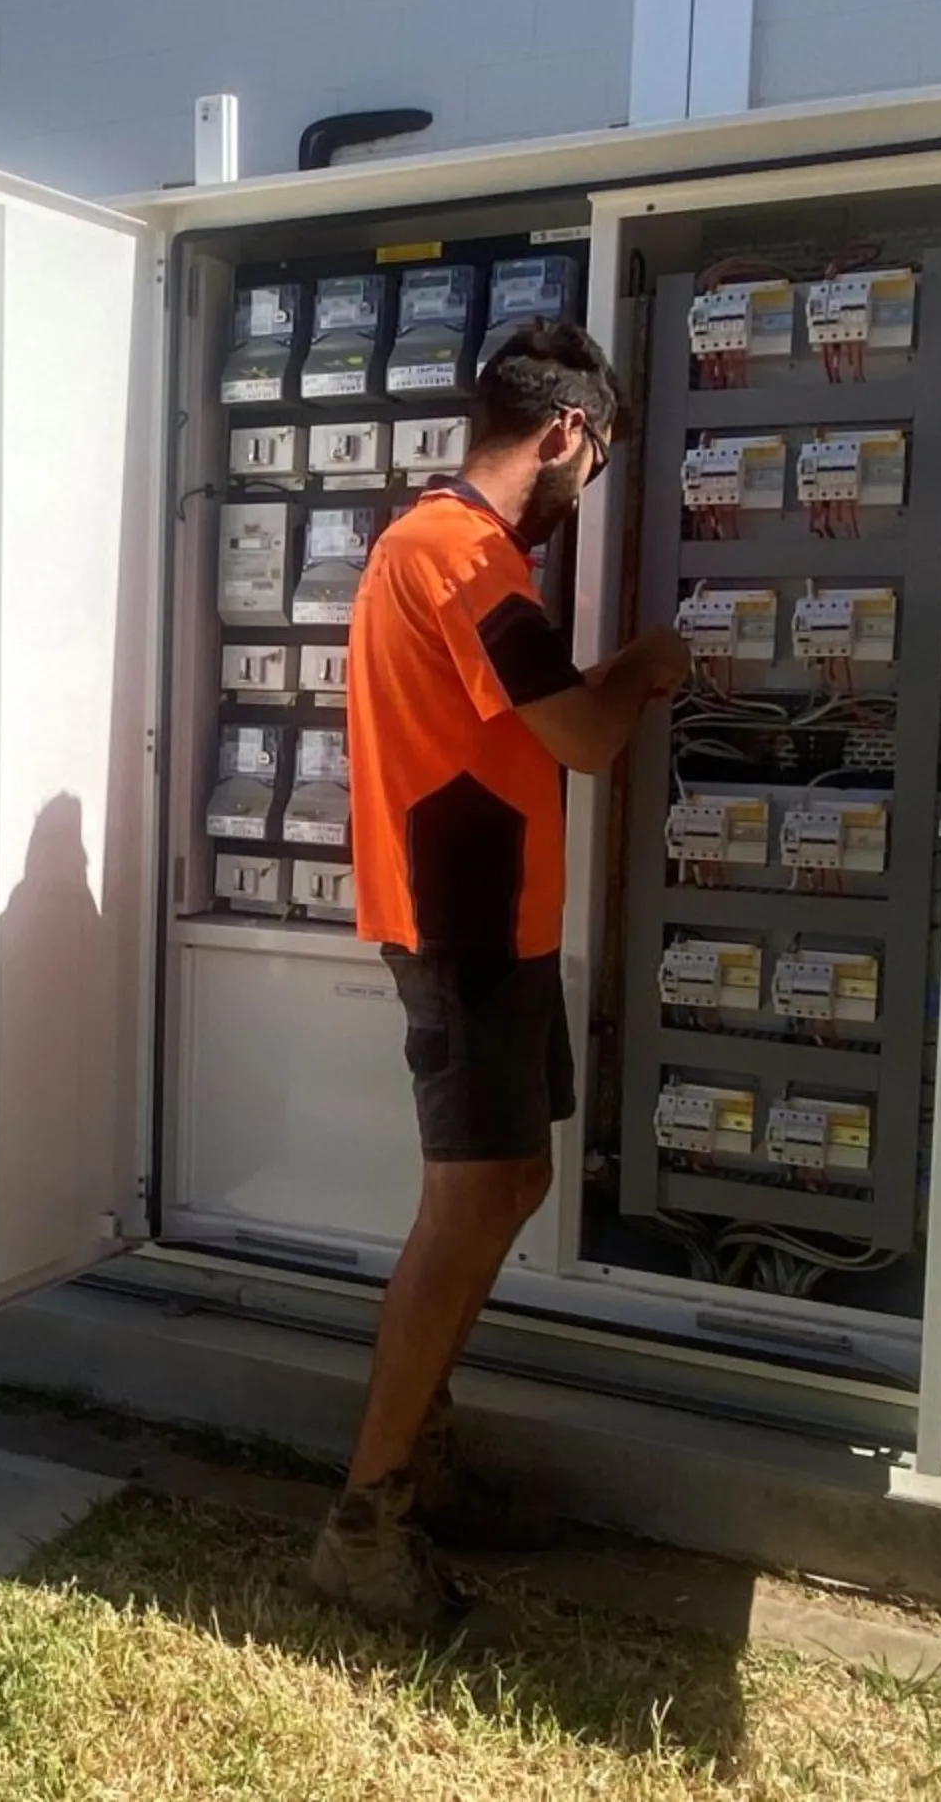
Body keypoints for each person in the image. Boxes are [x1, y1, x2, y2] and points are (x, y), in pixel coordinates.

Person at [313, 319, 691, 1629]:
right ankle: (367, 1519)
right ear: (567, 435)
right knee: (470, 1209)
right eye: (597, 460)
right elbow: (585, 739)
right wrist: (651, 665)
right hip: (464, 929)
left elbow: (533, 726)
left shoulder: (449, 549)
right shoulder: (460, 555)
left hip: (497, 925)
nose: (589, 488)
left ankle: (421, 1454)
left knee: (510, 1182)